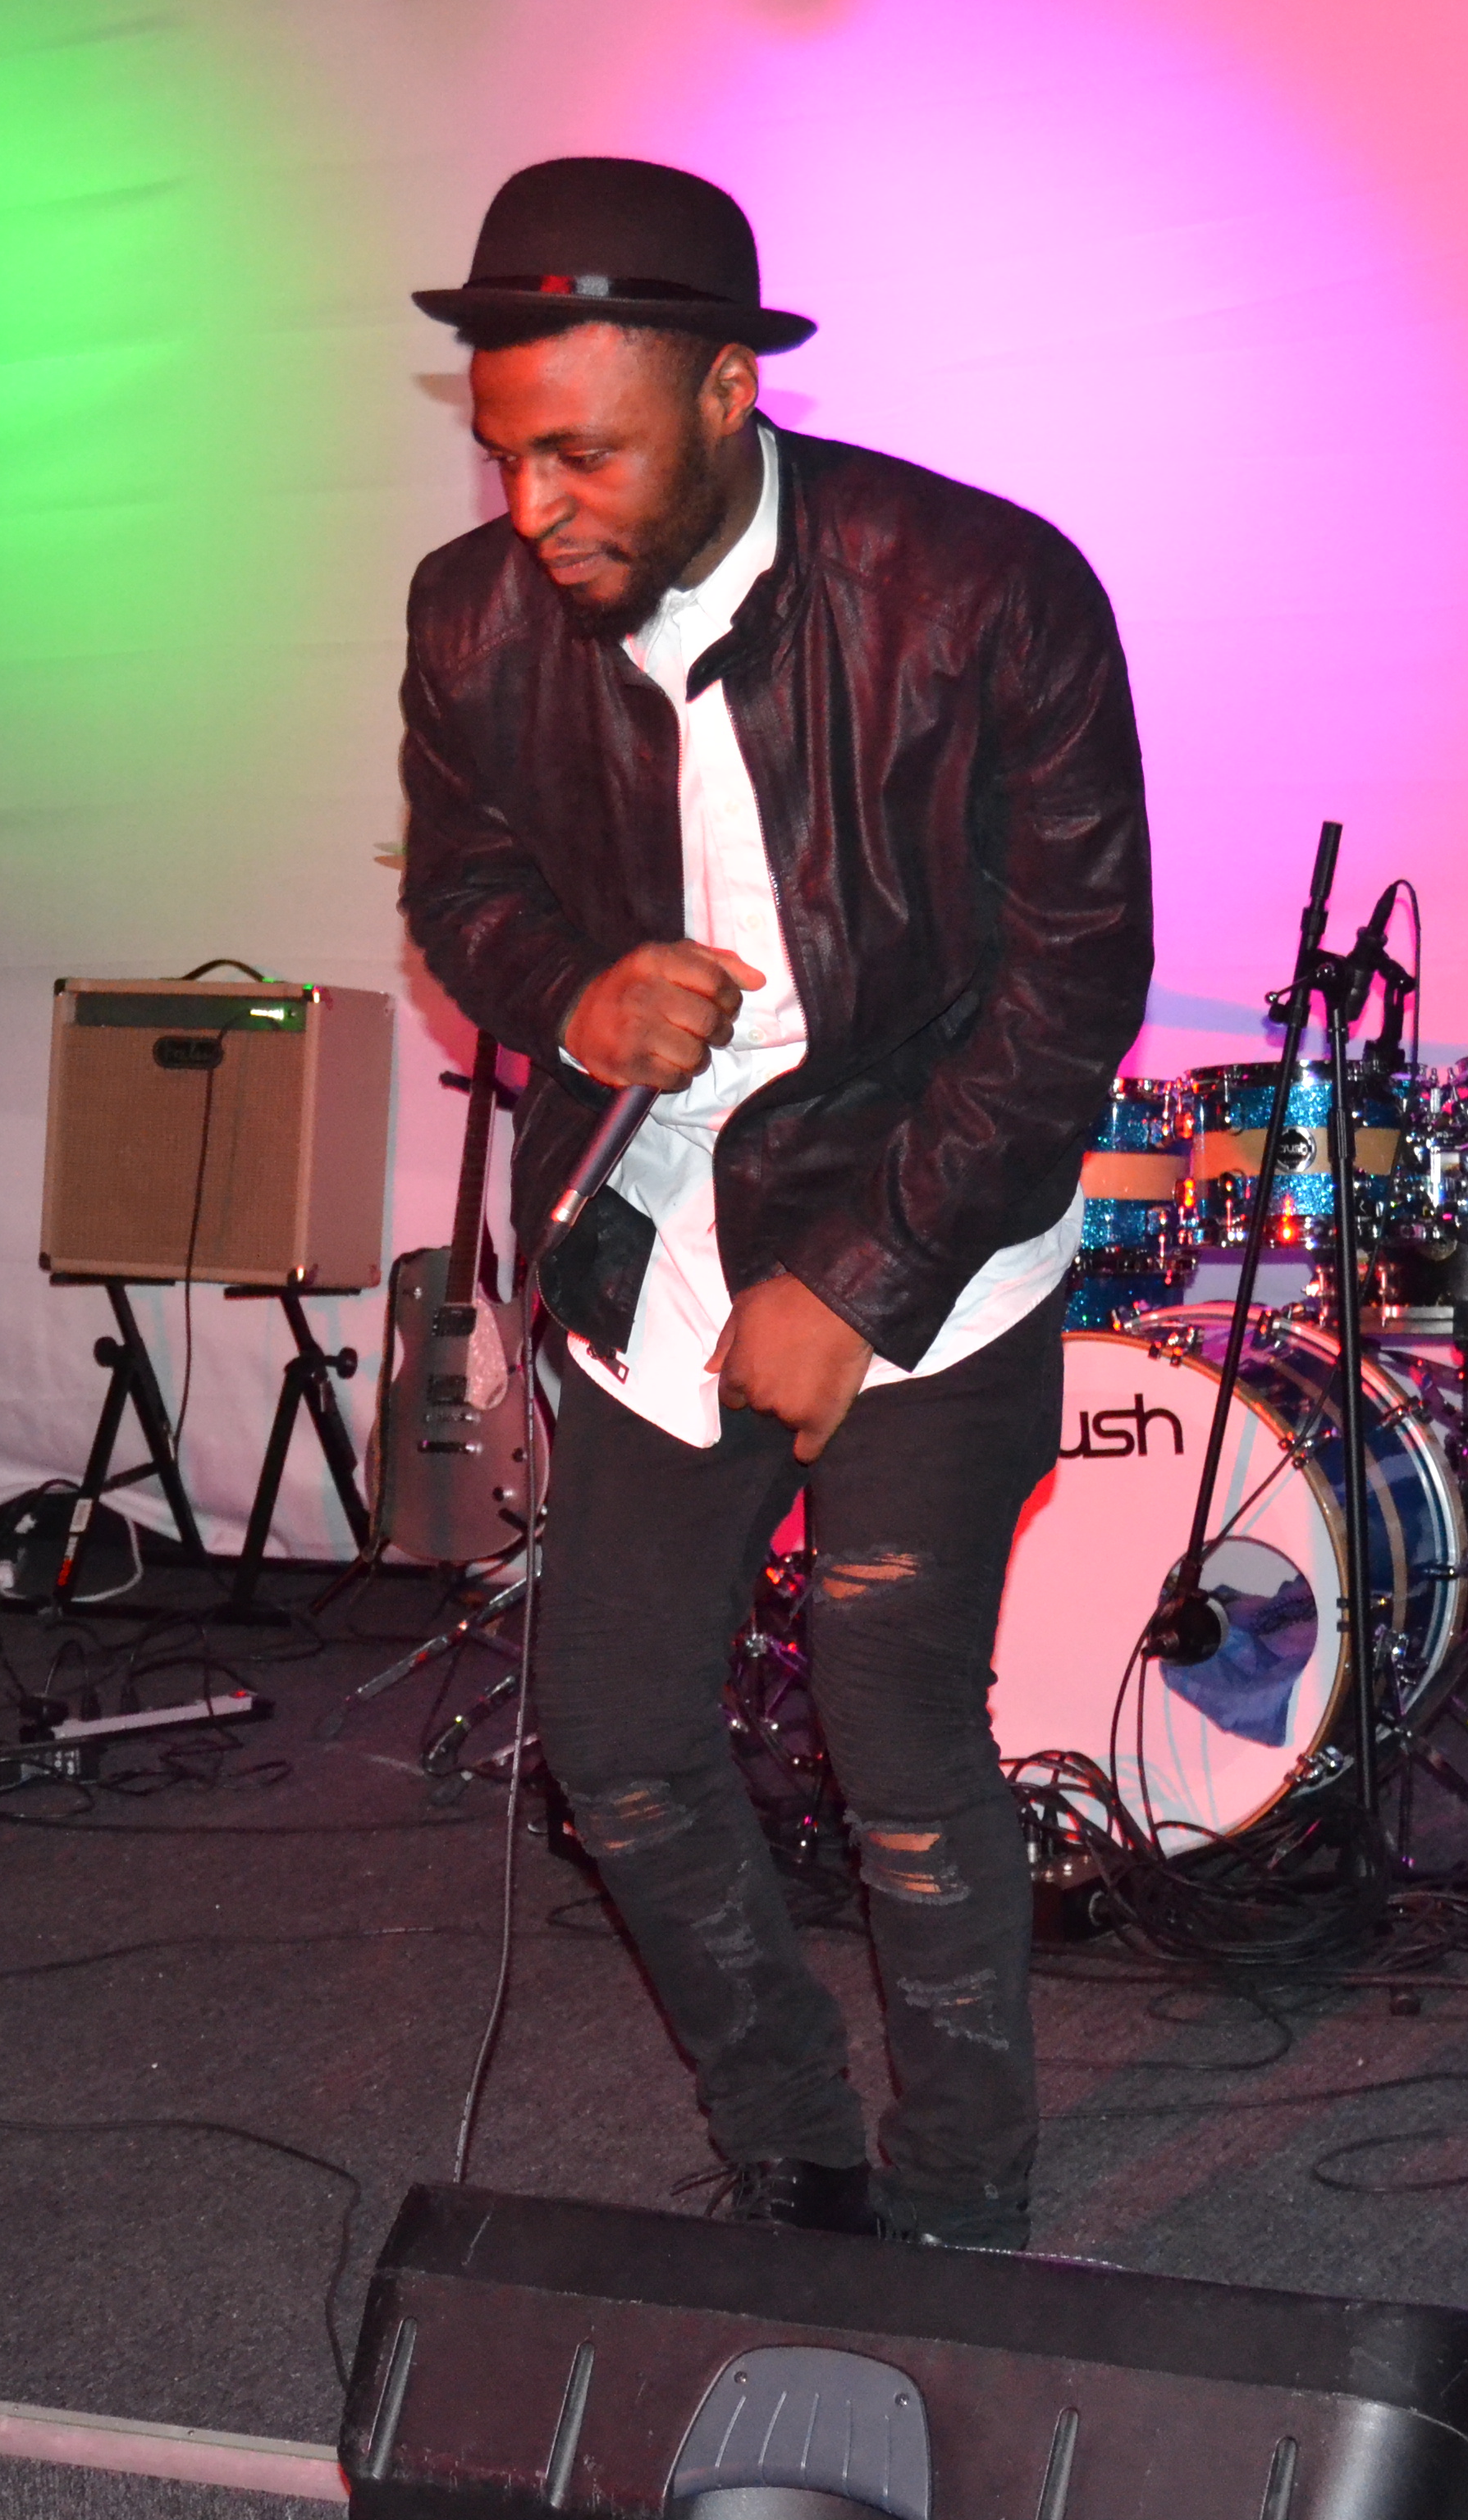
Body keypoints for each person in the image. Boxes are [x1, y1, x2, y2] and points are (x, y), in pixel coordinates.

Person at [396, 157, 1153, 2251]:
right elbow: (465, 887)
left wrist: (865, 1276)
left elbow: (1071, 980)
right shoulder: (472, 622)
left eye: (586, 453)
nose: (536, 504)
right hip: (657, 1236)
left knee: (894, 1723)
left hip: (937, 1217)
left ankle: (963, 2204)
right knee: (621, 1733)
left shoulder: (984, 592)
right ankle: (798, 2158)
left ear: (729, 392)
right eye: (507, 453)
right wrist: (573, 992)